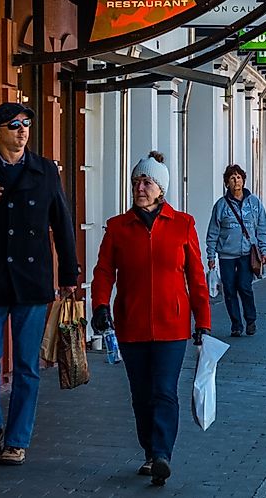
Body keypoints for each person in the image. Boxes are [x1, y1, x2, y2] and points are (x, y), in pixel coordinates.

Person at [0, 102, 79, 466]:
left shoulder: (44, 171)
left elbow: (63, 224)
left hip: (32, 280)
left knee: (26, 365)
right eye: (13, 125)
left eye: (26, 124)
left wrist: (69, 275)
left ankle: (17, 439)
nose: (22, 130)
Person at [91, 152, 211, 487]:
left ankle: (162, 454)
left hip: (172, 326)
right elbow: (103, 272)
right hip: (131, 324)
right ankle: (149, 450)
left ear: (161, 189)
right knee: (141, 394)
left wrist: (203, 320)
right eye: (136, 182)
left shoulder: (183, 224)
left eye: (146, 182)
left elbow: (196, 277)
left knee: (164, 391)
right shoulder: (118, 227)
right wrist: (100, 305)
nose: (140, 188)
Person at [205, 164, 266, 337]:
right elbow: (213, 232)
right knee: (229, 290)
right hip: (226, 255)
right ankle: (236, 324)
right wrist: (210, 255)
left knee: (244, 286)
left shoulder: (254, 203)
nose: (236, 181)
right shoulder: (221, 205)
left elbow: (262, 227)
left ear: (243, 180)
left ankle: (250, 320)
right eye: (232, 178)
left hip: (247, 253)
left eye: (239, 177)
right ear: (227, 183)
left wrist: (264, 250)